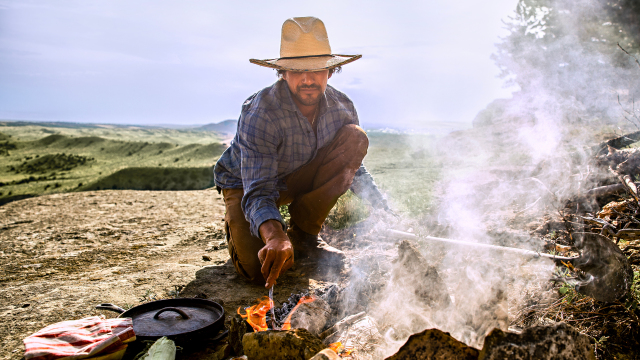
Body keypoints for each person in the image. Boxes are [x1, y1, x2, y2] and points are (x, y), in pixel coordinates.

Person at [214, 16, 389, 289]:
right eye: (297, 70)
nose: (307, 79)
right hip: (247, 184)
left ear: (330, 72)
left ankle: (305, 235)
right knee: (260, 271)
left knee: (355, 138)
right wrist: (274, 236)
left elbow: (351, 165)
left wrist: (383, 208)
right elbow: (258, 190)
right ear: (282, 73)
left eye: (317, 69)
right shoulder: (261, 113)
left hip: (299, 173)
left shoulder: (343, 106)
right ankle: (242, 227)